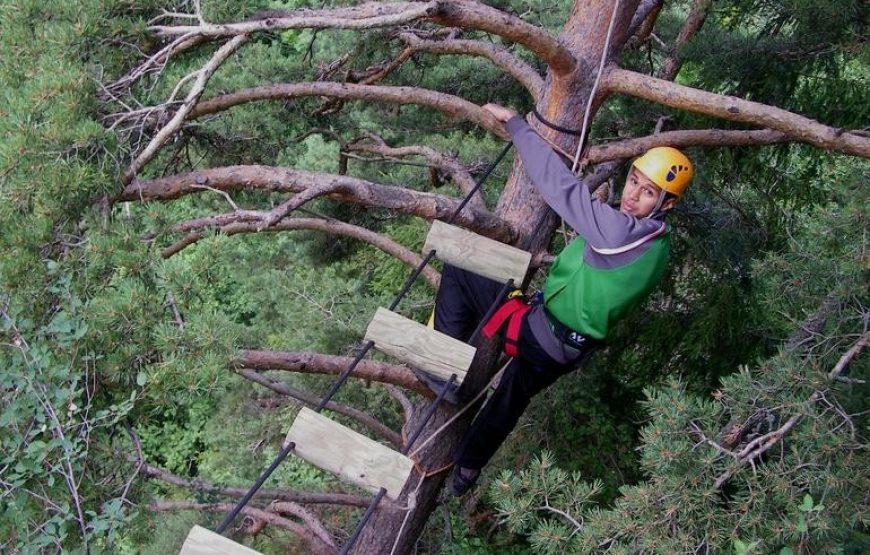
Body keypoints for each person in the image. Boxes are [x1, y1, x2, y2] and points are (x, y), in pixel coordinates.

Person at [430, 103, 694, 496]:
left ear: (666, 204)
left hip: (538, 335)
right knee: (509, 400)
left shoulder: (621, 233)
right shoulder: (658, 244)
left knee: (461, 263)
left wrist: (518, 127)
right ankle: (467, 469)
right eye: (634, 181)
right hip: (567, 351)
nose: (632, 195)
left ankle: (441, 368)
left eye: (648, 192)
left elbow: (560, 189)